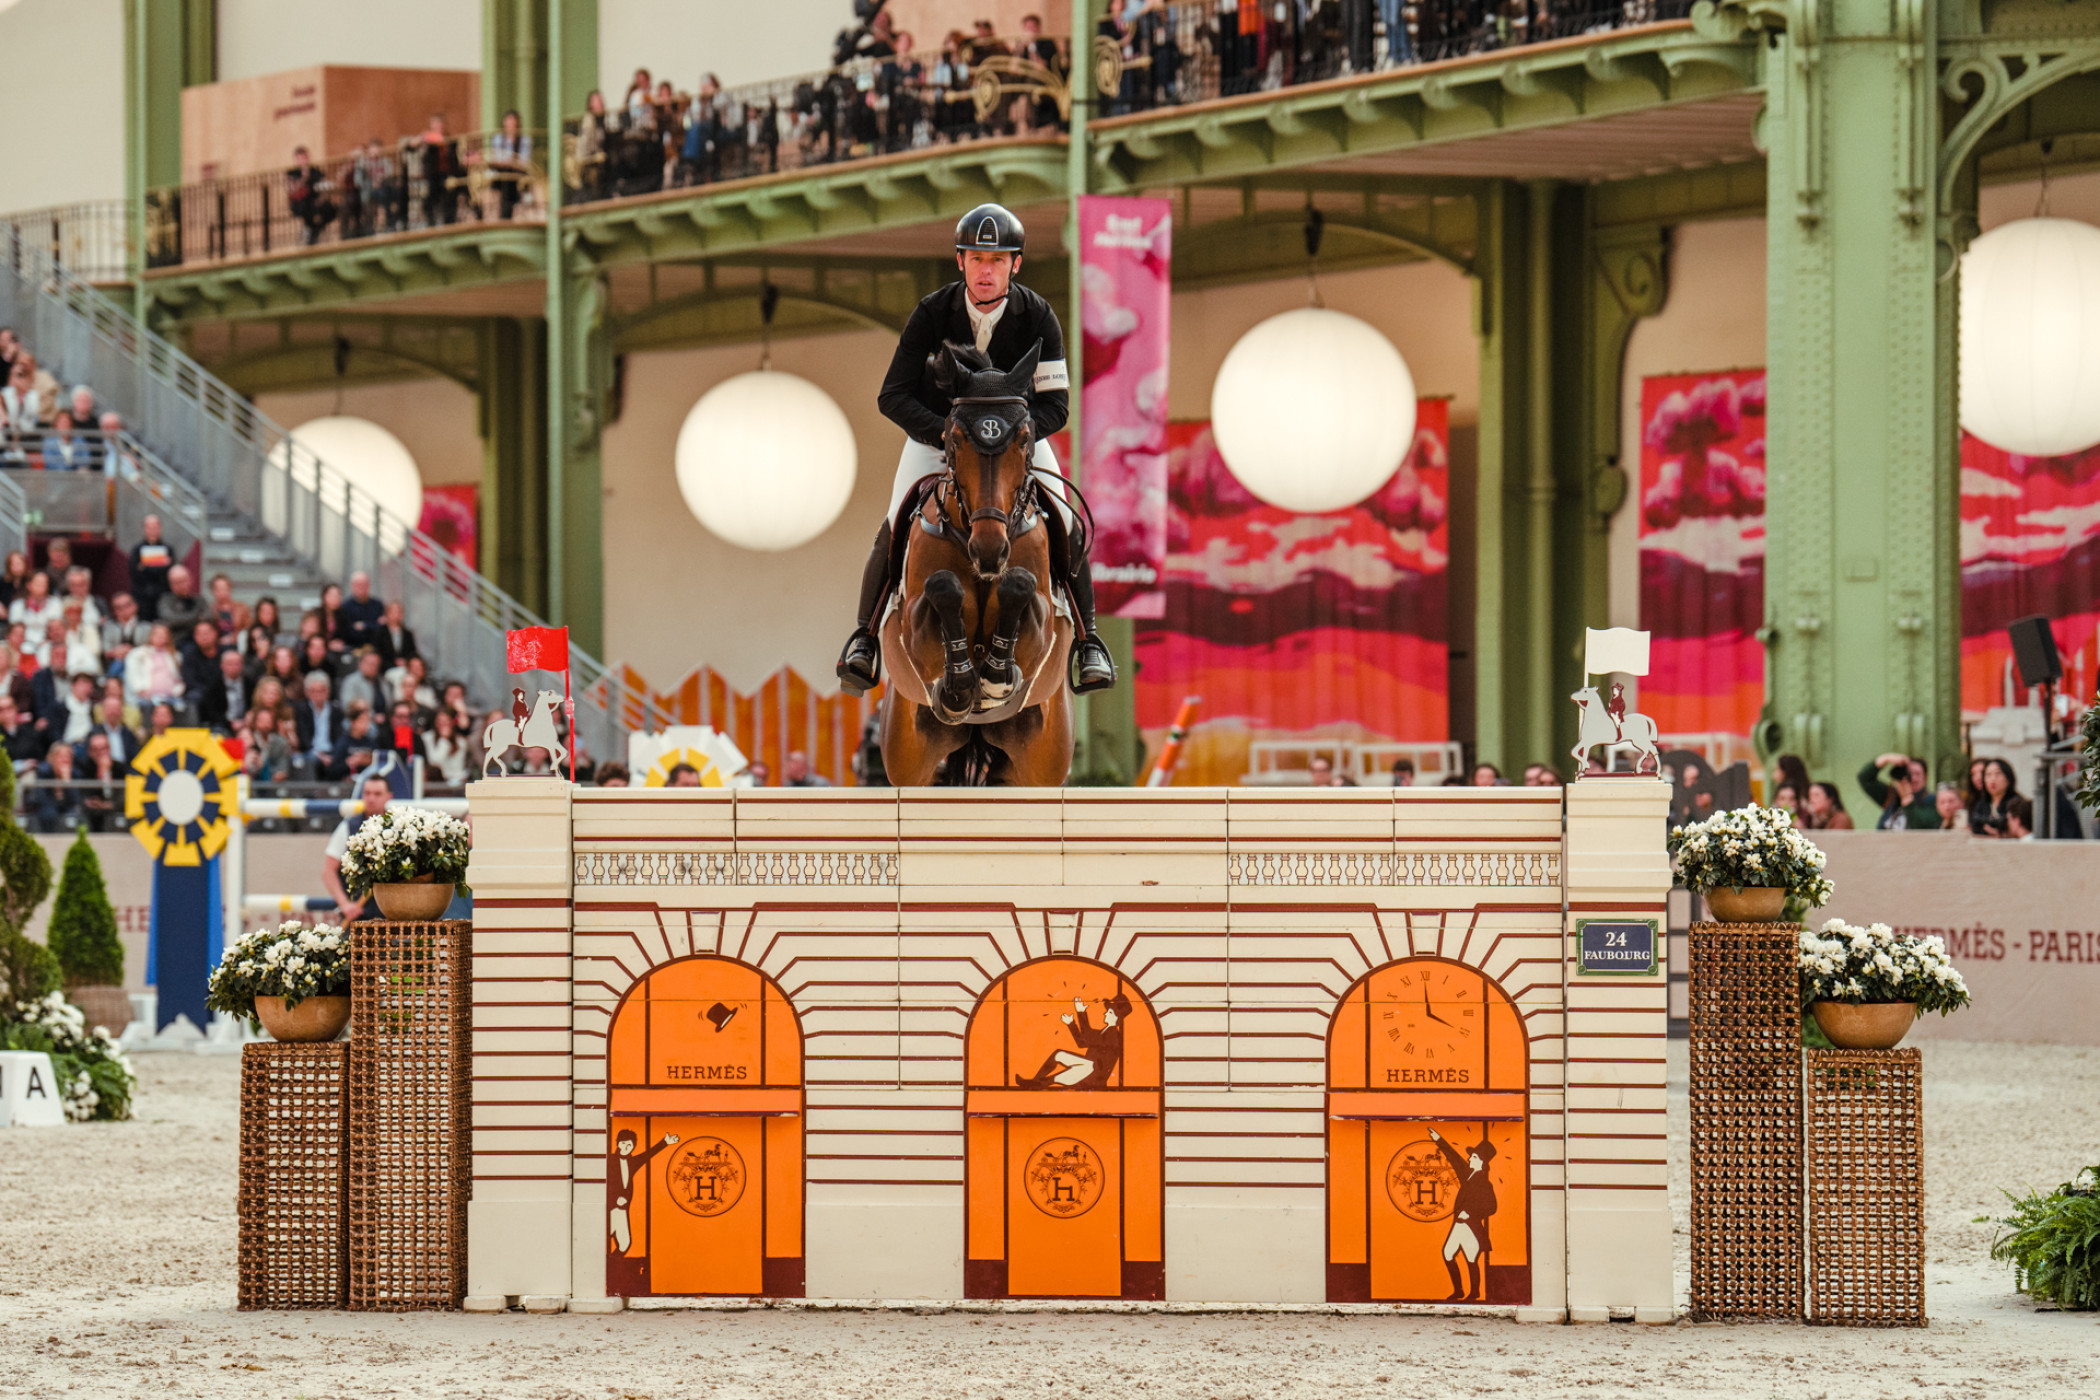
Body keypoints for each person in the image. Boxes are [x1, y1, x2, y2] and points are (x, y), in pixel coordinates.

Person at [838, 202, 1112, 697]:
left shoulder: (1039, 316)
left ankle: (1089, 640)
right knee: (897, 516)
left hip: (1014, 448)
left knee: (1065, 516)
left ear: (1015, 265)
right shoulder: (932, 312)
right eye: (978, 260)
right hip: (941, 440)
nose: (987, 271)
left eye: (998, 261)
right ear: (960, 261)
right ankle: (865, 636)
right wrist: (948, 435)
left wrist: (1011, 441)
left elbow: (1057, 406)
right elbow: (892, 395)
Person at [322, 773, 396, 922]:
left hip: (392, 916)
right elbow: (328, 871)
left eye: (377, 794)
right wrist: (344, 904)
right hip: (358, 916)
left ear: (388, 797)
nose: (371, 798)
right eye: (367, 793)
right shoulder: (348, 827)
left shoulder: (398, 828)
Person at [1858, 752, 1936, 831]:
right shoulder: (1891, 796)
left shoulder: (1933, 801)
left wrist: (1907, 800)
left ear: (1925, 778)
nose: (1912, 778)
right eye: (1909, 774)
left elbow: (1920, 827)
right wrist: (1886, 758)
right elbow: (1865, 778)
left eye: (1917, 774)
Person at [124, 623, 184, 711]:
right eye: (157, 634)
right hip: (145, 697)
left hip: (170, 697)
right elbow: (132, 674)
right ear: (151, 636)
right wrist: (140, 690)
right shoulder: (138, 654)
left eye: (163, 634)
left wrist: (177, 691)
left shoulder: (176, 656)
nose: (160, 637)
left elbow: (180, 678)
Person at [287, 145, 338, 243]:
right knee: (307, 210)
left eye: (304, 158)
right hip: (300, 203)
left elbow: (324, 187)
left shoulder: (316, 171)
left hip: (316, 202)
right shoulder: (292, 173)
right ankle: (310, 232)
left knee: (331, 210)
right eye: (299, 159)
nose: (302, 161)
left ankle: (314, 231)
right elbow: (291, 190)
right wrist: (304, 178)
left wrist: (321, 199)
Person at [75, 729, 125, 831]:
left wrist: (106, 774)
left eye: (104, 749)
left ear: (109, 749)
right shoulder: (84, 767)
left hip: (114, 810)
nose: (101, 753)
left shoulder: (119, 768)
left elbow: (122, 796)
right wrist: (100, 774)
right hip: (91, 813)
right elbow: (82, 794)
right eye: (96, 750)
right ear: (90, 752)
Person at [293, 670, 341, 773]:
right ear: (307, 692)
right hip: (311, 752)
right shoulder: (302, 709)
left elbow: (338, 736)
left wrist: (333, 754)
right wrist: (319, 755)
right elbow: (303, 737)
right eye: (313, 691)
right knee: (302, 760)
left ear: (328, 691)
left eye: (321, 691)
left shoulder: (336, 710)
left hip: (331, 751)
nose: (317, 695)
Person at [127, 516, 174, 621]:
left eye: (155, 527)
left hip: (162, 595)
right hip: (142, 596)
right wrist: (160, 565)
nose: (152, 531)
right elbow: (134, 572)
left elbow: (169, 573)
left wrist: (146, 566)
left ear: (160, 528)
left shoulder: (168, 548)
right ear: (144, 529)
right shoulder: (137, 549)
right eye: (149, 527)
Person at [29, 741, 82, 832]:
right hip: (47, 808)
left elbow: (75, 801)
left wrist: (67, 782)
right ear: (52, 758)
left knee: (75, 816)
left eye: (69, 756)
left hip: (66, 808)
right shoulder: (43, 772)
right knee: (49, 813)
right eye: (61, 756)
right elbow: (41, 799)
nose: (65, 760)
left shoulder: (75, 773)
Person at [200, 647, 250, 732]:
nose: (234, 667)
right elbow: (211, 712)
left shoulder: (250, 684)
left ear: (242, 665)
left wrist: (246, 720)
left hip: (245, 723)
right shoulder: (213, 686)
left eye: (237, 663)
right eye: (230, 664)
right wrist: (229, 723)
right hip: (222, 724)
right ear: (222, 665)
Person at [1968, 756, 2019, 838]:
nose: (1993, 779)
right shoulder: (1981, 804)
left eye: (1998, 774)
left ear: (2008, 778)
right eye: (1988, 775)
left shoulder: (2017, 803)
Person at [101, 591, 147, 676]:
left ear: (134, 606)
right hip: (116, 662)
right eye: (118, 608)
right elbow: (106, 650)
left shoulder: (145, 626)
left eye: (127, 605)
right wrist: (118, 652)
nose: (123, 610)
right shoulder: (109, 627)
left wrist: (130, 651)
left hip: (141, 664)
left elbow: (148, 649)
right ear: (114, 611)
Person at [424, 707, 468, 787]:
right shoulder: (427, 738)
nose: (443, 725)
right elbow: (435, 763)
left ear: (452, 722)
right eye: (440, 721)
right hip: (435, 782)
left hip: (456, 783)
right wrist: (444, 739)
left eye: (446, 721)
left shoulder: (461, 742)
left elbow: (458, 769)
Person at [340, 646, 385, 713]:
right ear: (360, 663)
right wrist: (372, 716)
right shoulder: (351, 681)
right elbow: (347, 707)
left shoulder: (383, 682)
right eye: (370, 664)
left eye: (376, 664)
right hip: (360, 718)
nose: (373, 667)